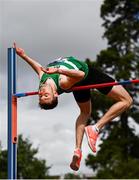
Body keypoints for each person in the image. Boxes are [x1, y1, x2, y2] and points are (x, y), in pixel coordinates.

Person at [14, 43, 133, 171]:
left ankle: (77, 150)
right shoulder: (63, 82)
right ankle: (96, 128)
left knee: (85, 112)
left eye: (41, 96)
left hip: (76, 81)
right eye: (46, 95)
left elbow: (37, 67)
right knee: (127, 100)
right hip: (87, 75)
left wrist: (23, 55)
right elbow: (81, 75)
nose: (42, 93)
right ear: (55, 94)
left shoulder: (43, 80)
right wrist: (59, 70)